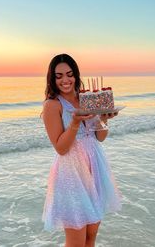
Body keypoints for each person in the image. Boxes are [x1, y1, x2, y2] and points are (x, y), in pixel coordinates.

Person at [42, 53, 121, 247]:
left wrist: (104, 119)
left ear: (76, 75)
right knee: (76, 241)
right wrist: (75, 122)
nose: (65, 80)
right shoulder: (53, 105)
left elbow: (99, 137)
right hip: (71, 174)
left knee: (90, 237)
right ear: (52, 79)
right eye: (58, 76)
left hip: (95, 168)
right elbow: (60, 148)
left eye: (69, 74)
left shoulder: (87, 99)